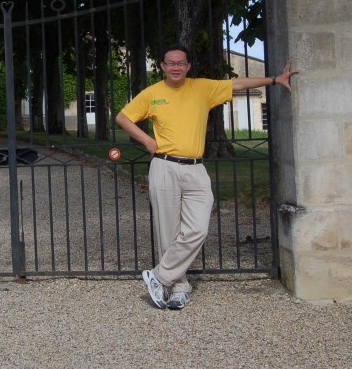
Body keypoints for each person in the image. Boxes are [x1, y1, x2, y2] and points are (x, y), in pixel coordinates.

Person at [116, 44, 296, 310]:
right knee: (168, 232)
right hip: (164, 166)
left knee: (197, 229)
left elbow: (237, 84)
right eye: (170, 63)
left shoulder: (202, 88)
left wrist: (274, 79)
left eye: (181, 63)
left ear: (188, 66)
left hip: (196, 169)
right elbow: (123, 117)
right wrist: (147, 141)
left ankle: (159, 276)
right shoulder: (152, 93)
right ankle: (179, 287)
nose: (176, 67)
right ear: (163, 66)